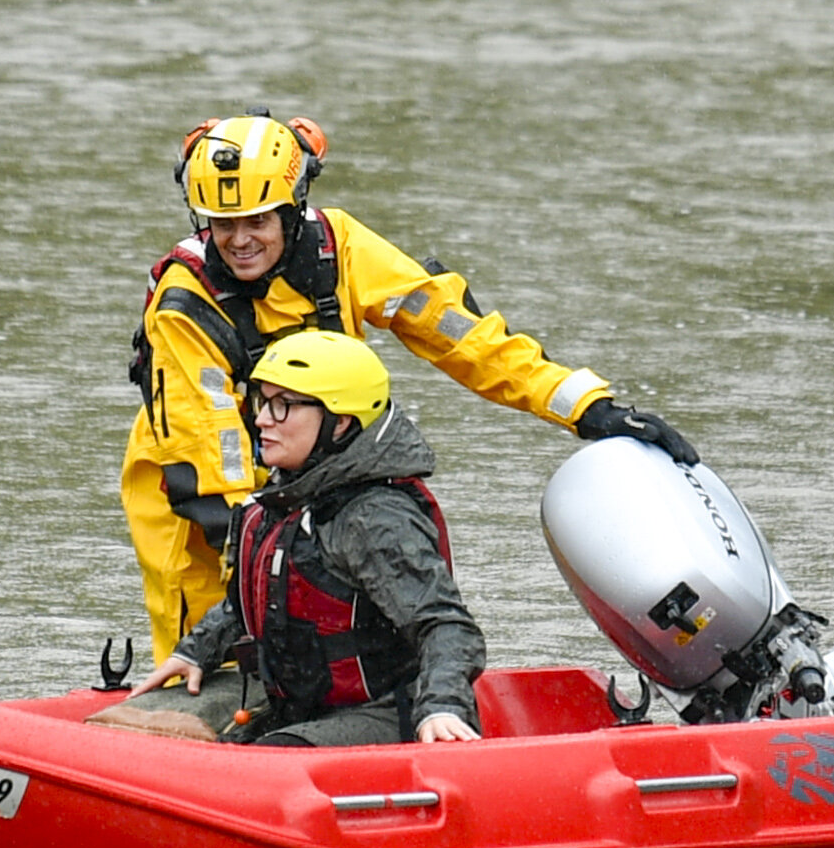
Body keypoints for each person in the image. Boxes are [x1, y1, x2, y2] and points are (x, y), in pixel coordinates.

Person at [119, 111, 700, 657]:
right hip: (195, 486)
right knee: (222, 636)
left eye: (257, 221)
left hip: (320, 460)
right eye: (222, 224)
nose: (240, 239)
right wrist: (261, 556)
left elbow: (456, 333)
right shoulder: (183, 305)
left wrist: (584, 407)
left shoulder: (339, 248)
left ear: (293, 211)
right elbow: (209, 455)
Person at [137, 330, 486, 747]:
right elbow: (261, 600)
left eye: (283, 406)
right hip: (300, 706)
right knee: (130, 722)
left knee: (266, 760)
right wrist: (196, 651)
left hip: (387, 714)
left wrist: (442, 707)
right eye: (262, 401)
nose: (262, 419)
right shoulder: (290, 492)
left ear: (339, 423)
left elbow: (447, 626)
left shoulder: (375, 519)